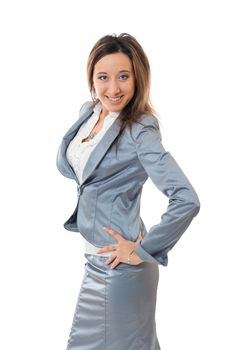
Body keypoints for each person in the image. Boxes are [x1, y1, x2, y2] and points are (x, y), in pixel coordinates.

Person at [56, 33, 200, 350]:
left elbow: (186, 200)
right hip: (96, 262)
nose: (114, 88)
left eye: (124, 76)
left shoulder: (139, 129)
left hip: (121, 269)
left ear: (138, 77)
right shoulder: (89, 113)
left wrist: (141, 250)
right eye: (103, 77)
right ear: (91, 78)